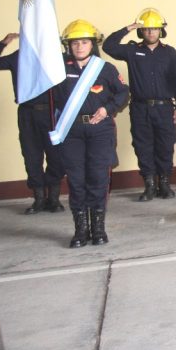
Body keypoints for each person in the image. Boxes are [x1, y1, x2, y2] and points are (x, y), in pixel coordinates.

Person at [50, 20, 128, 248]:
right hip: (71, 131)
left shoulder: (105, 69)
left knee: (98, 178)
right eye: (75, 43)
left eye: (84, 42)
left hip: (99, 131)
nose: (79, 47)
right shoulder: (59, 69)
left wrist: (108, 109)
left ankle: (99, 229)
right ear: (68, 46)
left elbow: (123, 93)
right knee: (75, 180)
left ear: (93, 44)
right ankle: (80, 231)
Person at [103, 8, 176, 201]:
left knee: (165, 146)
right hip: (140, 108)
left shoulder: (170, 52)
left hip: (164, 108)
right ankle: (149, 186)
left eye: (154, 29)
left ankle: (164, 184)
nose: (150, 32)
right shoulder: (132, 50)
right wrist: (128, 28)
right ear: (140, 31)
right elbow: (108, 46)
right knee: (143, 146)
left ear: (160, 30)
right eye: (146, 29)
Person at [0, 32, 64, 213]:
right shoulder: (18, 57)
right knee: (31, 157)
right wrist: (4, 43)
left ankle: (53, 199)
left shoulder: (54, 58)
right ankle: (39, 200)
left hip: (52, 112)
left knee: (56, 157)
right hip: (27, 114)